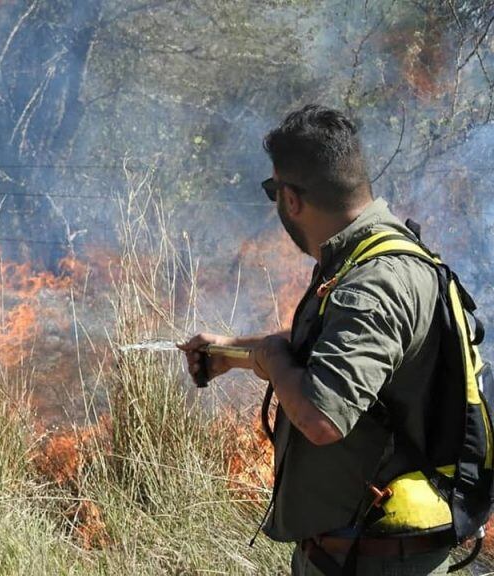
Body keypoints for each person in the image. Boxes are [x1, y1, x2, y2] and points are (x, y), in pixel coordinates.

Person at [180, 105, 452, 575]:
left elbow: (322, 418)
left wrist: (268, 355)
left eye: (273, 191)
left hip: (377, 556)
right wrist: (234, 352)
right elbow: (331, 351)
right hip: (357, 548)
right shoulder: (371, 257)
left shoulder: (374, 282)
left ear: (290, 198)